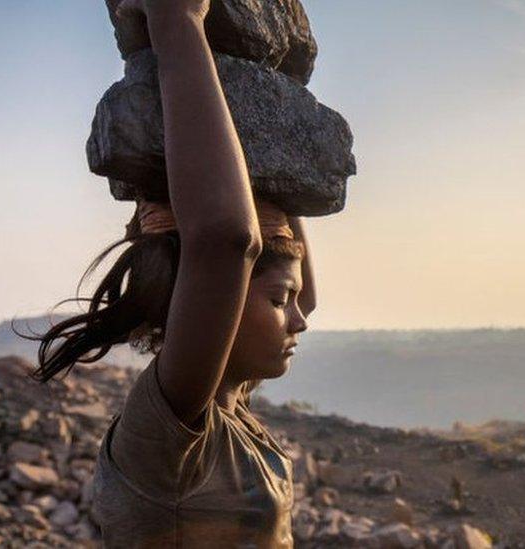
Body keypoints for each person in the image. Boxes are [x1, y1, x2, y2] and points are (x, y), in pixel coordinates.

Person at [25, 0, 313, 546]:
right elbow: (227, 242)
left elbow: (267, 265)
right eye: (280, 301)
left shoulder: (231, 399)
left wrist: (277, 104)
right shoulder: (170, 429)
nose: (300, 319)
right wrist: (175, 20)